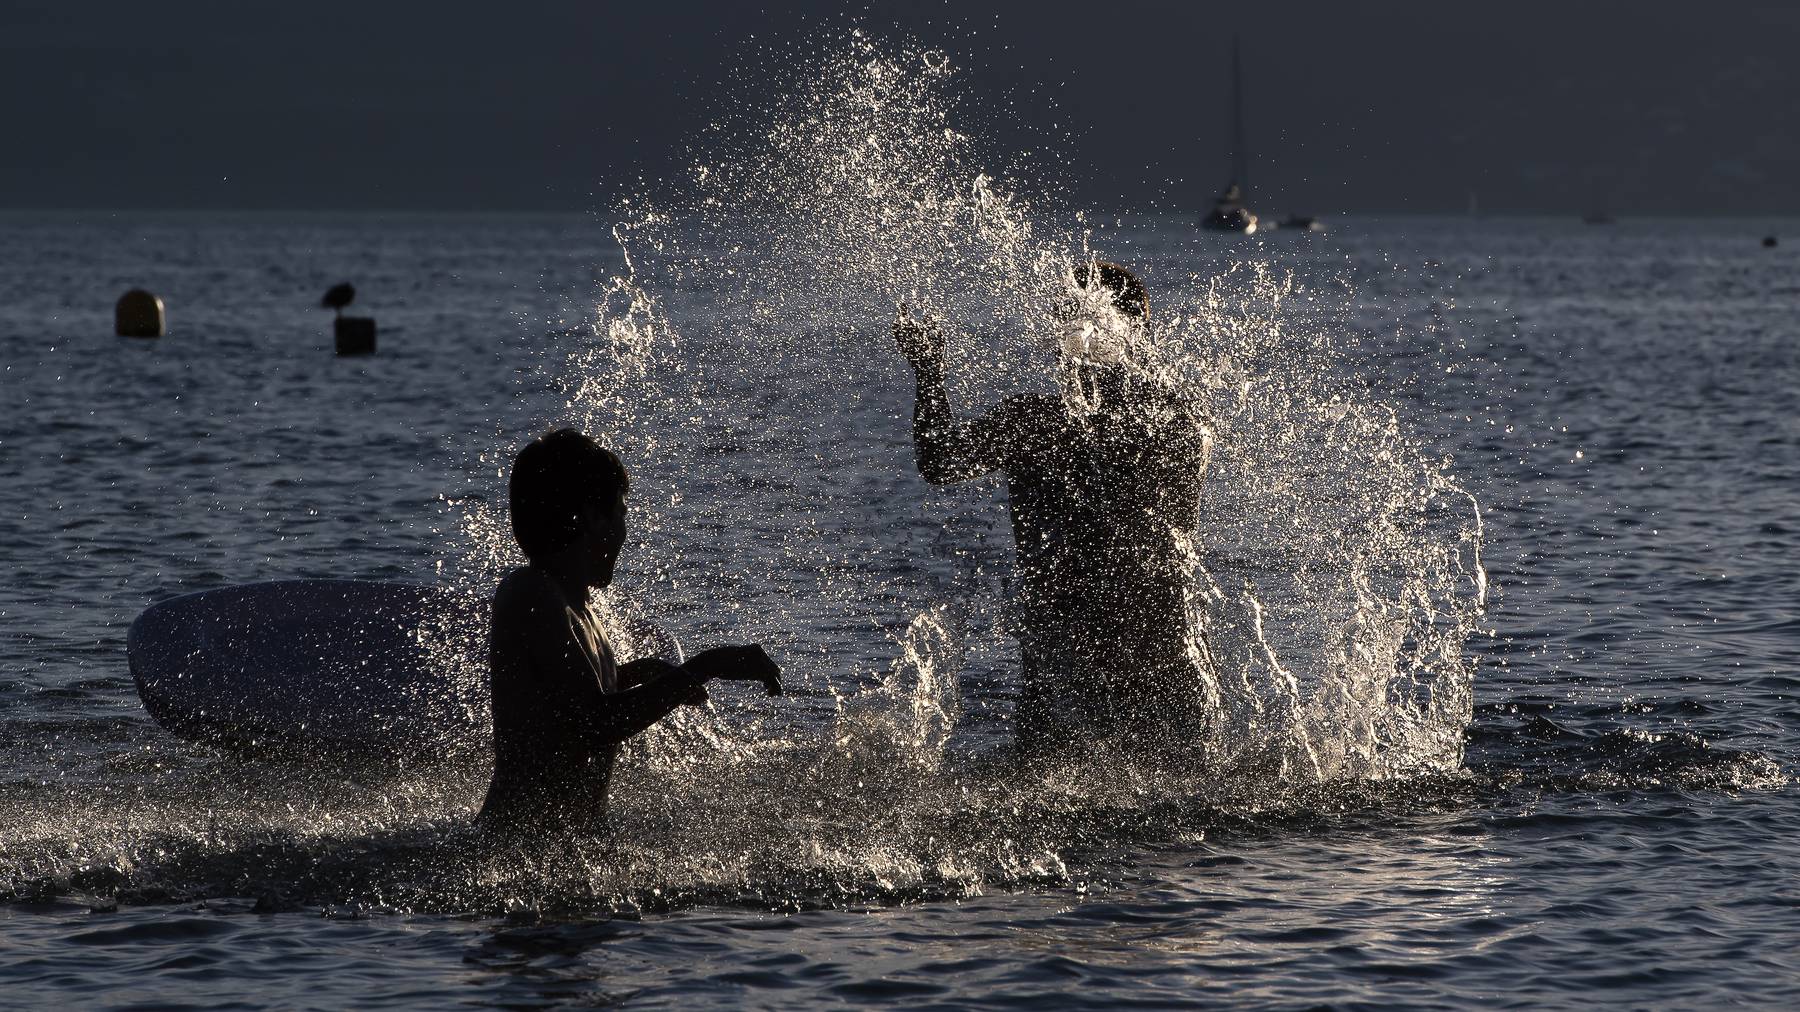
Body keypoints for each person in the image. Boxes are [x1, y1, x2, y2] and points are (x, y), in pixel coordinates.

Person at [895, 262, 1211, 753]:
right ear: (1140, 339)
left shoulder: (1034, 424)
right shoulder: (1177, 422)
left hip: (1067, 654)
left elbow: (940, 461)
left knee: (1048, 791)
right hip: (1164, 651)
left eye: (1065, 324)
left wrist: (930, 369)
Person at [476, 428, 782, 836]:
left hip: (561, 852)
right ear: (588, 517)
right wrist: (708, 664)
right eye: (619, 514)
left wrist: (637, 675)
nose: (623, 532)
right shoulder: (530, 593)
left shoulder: (579, 607)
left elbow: (569, 699)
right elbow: (594, 722)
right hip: (511, 852)